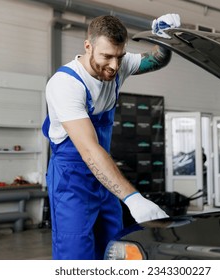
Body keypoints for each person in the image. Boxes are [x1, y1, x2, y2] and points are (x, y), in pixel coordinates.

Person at [42, 14, 181, 260]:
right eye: (107, 56)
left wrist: (165, 39)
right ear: (88, 46)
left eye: (120, 56)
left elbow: (157, 60)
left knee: (114, 248)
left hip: (104, 175)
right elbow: (88, 150)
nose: (115, 66)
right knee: (76, 254)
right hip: (72, 179)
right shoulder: (65, 84)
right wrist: (133, 198)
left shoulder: (119, 64)